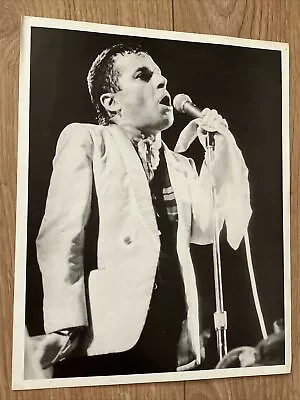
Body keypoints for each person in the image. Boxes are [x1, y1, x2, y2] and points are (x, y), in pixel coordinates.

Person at [35, 43, 252, 377]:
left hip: (169, 332)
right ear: (111, 103)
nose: (162, 83)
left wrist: (216, 152)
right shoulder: (90, 141)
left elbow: (206, 232)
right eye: (144, 76)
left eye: (161, 77)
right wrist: (65, 324)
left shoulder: (180, 165)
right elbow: (61, 237)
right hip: (105, 333)